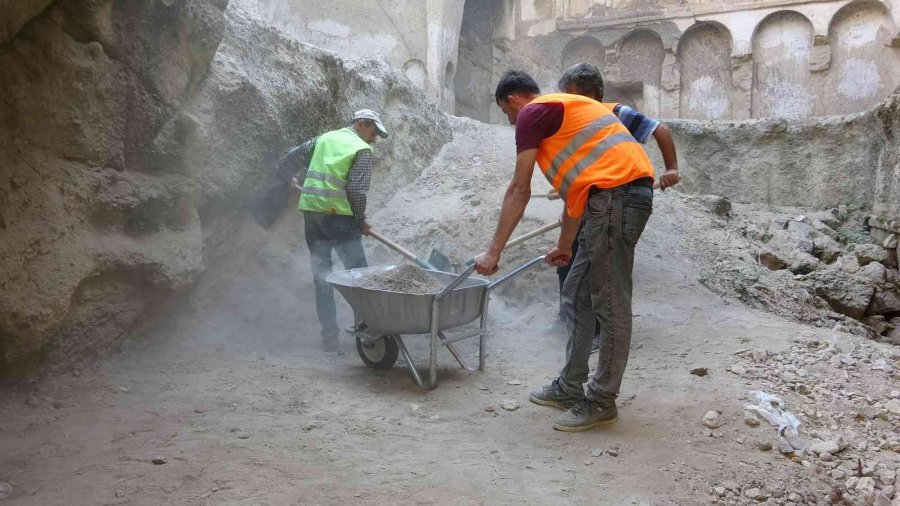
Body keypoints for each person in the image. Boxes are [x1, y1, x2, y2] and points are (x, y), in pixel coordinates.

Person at [474, 71, 678, 432]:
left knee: (609, 302)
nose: (511, 123)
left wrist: (494, 252)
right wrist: (565, 245)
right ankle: (570, 386)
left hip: (617, 197)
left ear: (513, 101)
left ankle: (602, 400)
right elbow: (576, 193)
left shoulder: (533, 112)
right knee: (576, 292)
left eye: (507, 113)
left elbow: (519, 189)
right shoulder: (566, 117)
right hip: (607, 198)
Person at [554, 63, 680, 353]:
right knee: (567, 259)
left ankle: (601, 332)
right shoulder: (574, 122)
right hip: (589, 201)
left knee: (602, 268)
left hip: (615, 198)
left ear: (592, 93)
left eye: (572, 94)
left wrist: (672, 168)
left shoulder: (614, 112)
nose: (567, 101)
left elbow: (660, 130)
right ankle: (569, 319)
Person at [296, 109, 389, 352]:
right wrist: (360, 220)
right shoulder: (362, 149)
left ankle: (329, 336)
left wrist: (289, 176)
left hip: (312, 216)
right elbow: (356, 191)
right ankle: (371, 331)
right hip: (340, 220)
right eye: (373, 132)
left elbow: (295, 155)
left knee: (322, 276)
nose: (374, 139)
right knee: (360, 276)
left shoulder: (325, 138)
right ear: (361, 124)